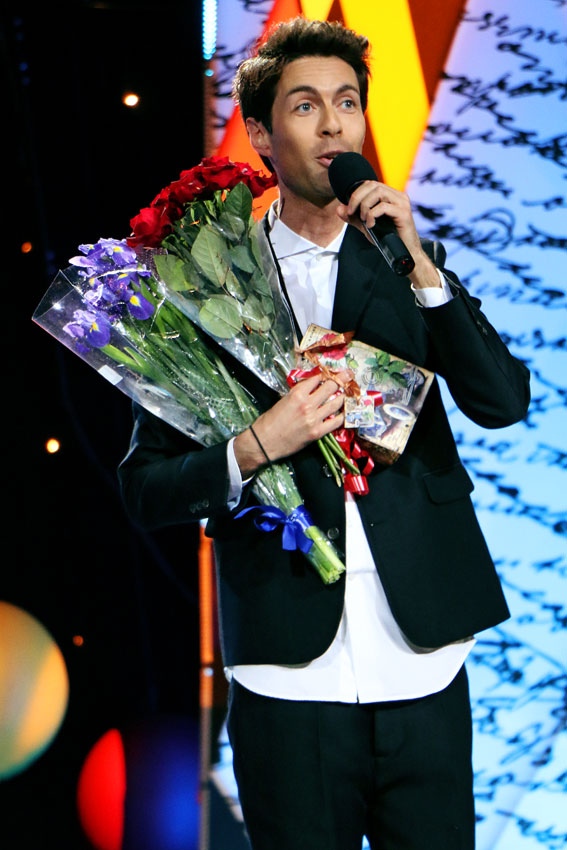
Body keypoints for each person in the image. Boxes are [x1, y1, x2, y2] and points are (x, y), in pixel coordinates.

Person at [118, 17, 530, 850]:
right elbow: (145, 489)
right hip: (287, 668)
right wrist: (256, 445)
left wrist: (423, 269)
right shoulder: (207, 287)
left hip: (422, 656)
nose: (333, 124)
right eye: (305, 106)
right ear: (261, 134)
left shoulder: (408, 262)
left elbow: (501, 402)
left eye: (347, 103)